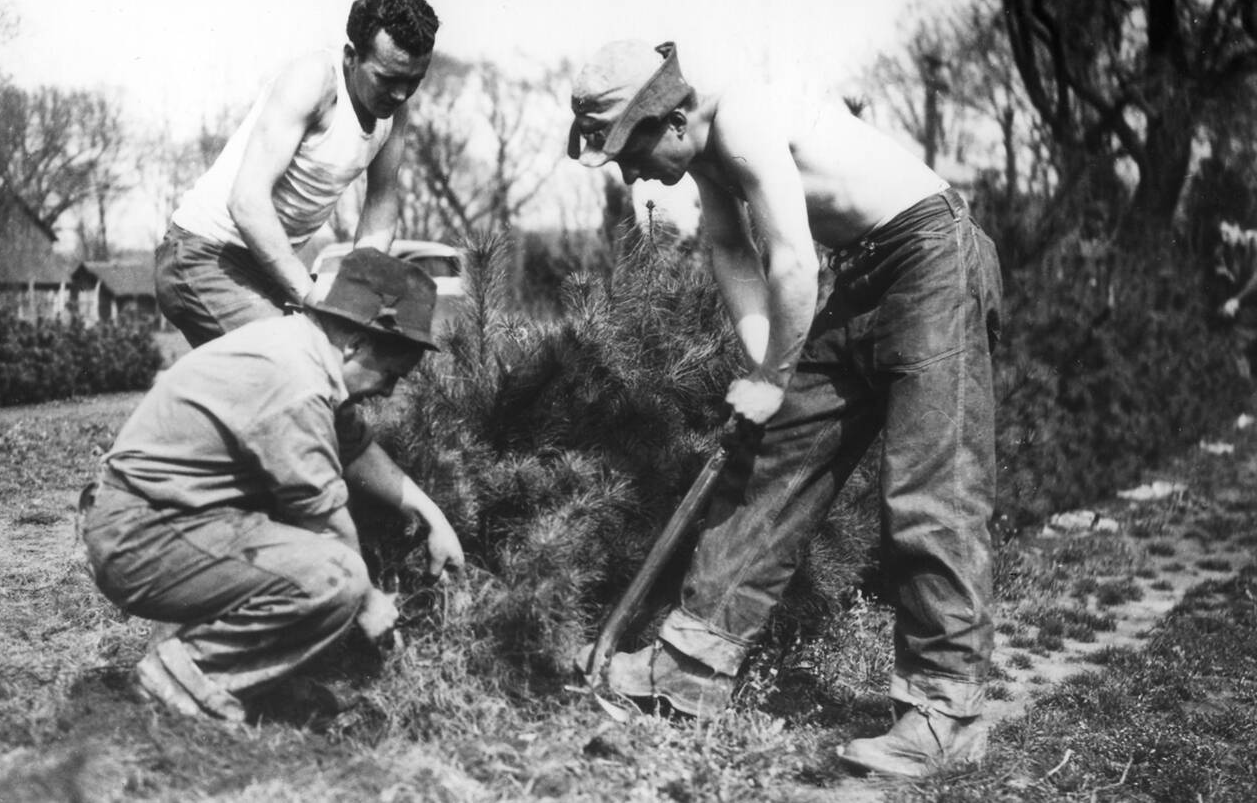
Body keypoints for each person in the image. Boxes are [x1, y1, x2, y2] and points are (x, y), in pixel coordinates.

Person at [566, 40, 1003, 778]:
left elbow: (794, 261)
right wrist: (771, 376)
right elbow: (734, 255)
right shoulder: (703, 151)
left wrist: (773, 378)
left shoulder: (741, 117)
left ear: (671, 121)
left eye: (630, 153)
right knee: (773, 455)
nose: (632, 172)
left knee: (931, 489)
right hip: (862, 274)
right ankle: (689, 666)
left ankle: (944, 714)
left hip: (931, 254)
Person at [82, 249, 465, 721]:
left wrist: (434, 517)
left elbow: (356, 448)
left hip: (166, 522)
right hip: (140, 537)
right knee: (339, 576)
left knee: (321, 561)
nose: (389, 391)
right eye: (390, 374)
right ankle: (182, 677)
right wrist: (368, 602)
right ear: (356, 345)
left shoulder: (301, 348)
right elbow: (326, 523)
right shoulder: (297, 382)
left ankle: (216, 668)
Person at [156, 0, 438, 344]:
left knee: (329, 367)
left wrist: (358, 289)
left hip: (266, 266)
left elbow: (381, 201)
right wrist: (309, 293)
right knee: (295, 363)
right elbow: (247, 201)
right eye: (387, 78)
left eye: (412, 81)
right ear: (351, 57)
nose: (400, 94)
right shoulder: (314, 82)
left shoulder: (395, 113)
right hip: (203, 254)